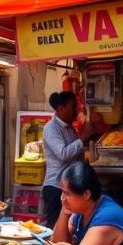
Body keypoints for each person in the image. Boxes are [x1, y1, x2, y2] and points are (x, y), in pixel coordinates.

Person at [40, 91, 94, 227]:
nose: (76, 110)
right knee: (54, 228)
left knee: (69, 227)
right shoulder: (51, 128)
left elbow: (76, 153)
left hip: (69, 187)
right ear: (60, 108)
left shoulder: (69, 128)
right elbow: (63, 153)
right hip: (55, 187)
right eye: (73, 106)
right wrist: (84, 137)